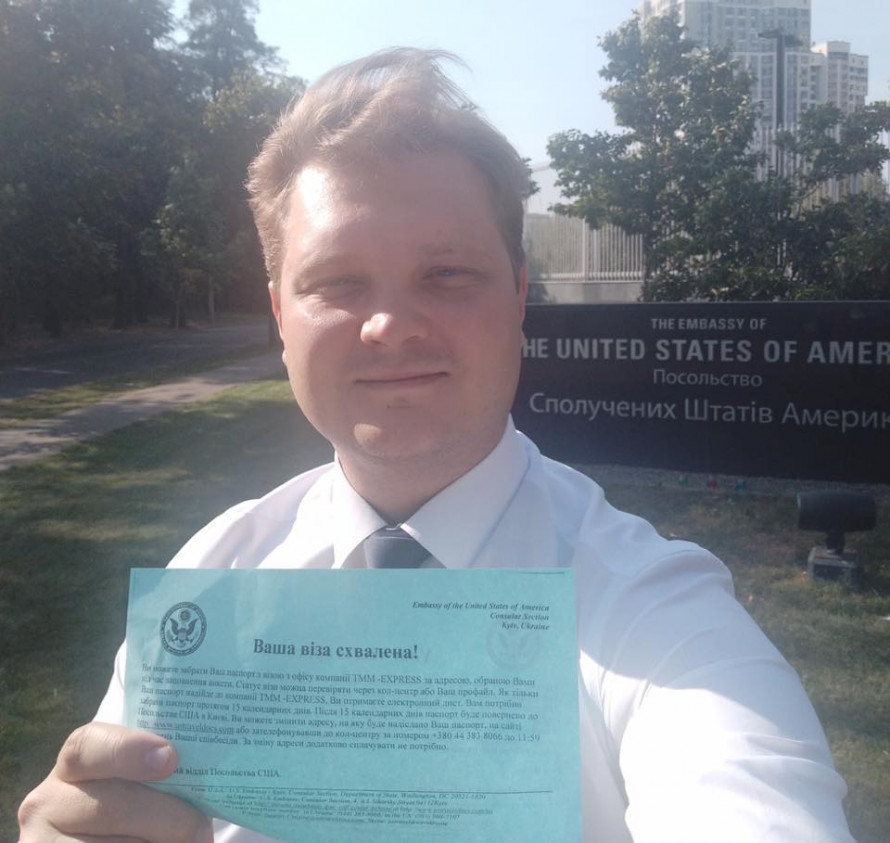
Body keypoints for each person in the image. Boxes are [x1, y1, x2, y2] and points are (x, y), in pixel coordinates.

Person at [19, 48, 853, 843]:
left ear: (519, 296)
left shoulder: (651, 610)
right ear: (279, 315)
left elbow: (747, 790)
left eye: (446, 274)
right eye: (337, 283)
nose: (389, 325)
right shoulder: (212, 574)